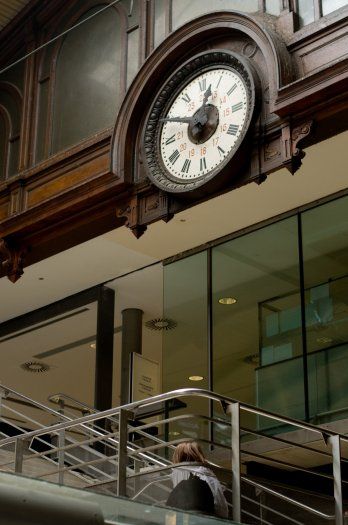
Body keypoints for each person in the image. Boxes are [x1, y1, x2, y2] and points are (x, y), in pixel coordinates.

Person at [166, 441, 229, 519]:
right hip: (213, 515)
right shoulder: (207, 473)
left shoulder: (179, 473)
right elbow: (220, 504)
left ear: (177, 456)